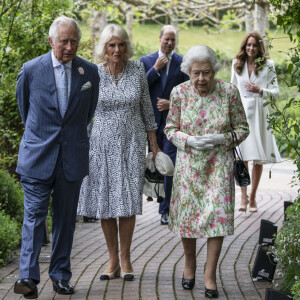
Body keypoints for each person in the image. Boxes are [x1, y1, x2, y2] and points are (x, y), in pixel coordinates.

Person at [13, 16, 99, 299]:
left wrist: (70, 139)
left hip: (71, 157)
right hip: (38, 157)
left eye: (74, 40)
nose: (69, 46)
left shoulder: (90, 73)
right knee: (34, 217)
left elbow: (87, 114)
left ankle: (60, 276)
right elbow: (25, 111)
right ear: (51, 41)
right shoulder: (30, 70)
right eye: (64, 41)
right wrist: (43, 138)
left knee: (65, 221)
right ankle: (27, 276)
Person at [164, 45, 249, 298]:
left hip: (218, 168)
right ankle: (190, 265)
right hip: (189, 167)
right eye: (196, 73)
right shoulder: (179, 93)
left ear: (215, 71)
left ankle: (209, 274)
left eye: (207, 73)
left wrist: (220, 139)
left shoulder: (228, 92)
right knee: (188, 219)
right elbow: (169, 129)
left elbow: (242, 129)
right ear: (188, 72)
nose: (201, 79)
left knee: (218, 219)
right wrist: (188, 140)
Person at [77, 24, 160, 282]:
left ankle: (126, 258)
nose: (117, 49)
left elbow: (147, 107)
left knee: (126, 201)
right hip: (100, 145)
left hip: (132, 144)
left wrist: (154, 143)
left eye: (121, 44)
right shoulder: (93, 72)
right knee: (105, 201)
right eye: (112, 45)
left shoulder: (137, 69)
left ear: (127, 47)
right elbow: (83, 110)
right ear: (104, 47)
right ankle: (112, 259)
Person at [140, 25, 189, 225]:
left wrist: (171, 103)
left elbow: (188, 92)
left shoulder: (182, 62)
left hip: (172, 124)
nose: (169, 43)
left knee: (169, 165)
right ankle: (157, 198)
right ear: (159, 38)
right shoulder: (146, 61)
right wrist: (156, 69)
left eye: (173, 40)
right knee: (155, 164)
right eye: (166, 39)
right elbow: (139, 88)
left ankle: (165, 209)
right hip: (151, 123)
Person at [231, 31, 281, 213]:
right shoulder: (237, 64)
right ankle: (242, 197)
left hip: (260, 113)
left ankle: (253, 197)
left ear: (260, 47)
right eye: (248, 45)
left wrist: (261, 90)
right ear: (244, 46)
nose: (251, 48)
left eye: (254, 45)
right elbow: (232, 89)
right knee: (241, 157)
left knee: (257, 159)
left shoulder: (268, 65)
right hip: (241, 113)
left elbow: (276, 91)